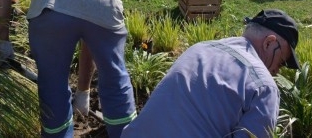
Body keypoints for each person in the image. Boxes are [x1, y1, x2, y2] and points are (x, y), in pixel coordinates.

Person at [0, 0, 137, 138]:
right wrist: (83, 92)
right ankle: (127, 133)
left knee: (53, 88)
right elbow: (89, 29)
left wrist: (2, 43)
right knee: (116, 80)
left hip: (53, 9)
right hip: (104, 3)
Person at [121, 9, 300, 138]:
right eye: (282, 61)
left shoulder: (200, 49)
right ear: (269, 43)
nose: (277, 70)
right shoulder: (264, 86)